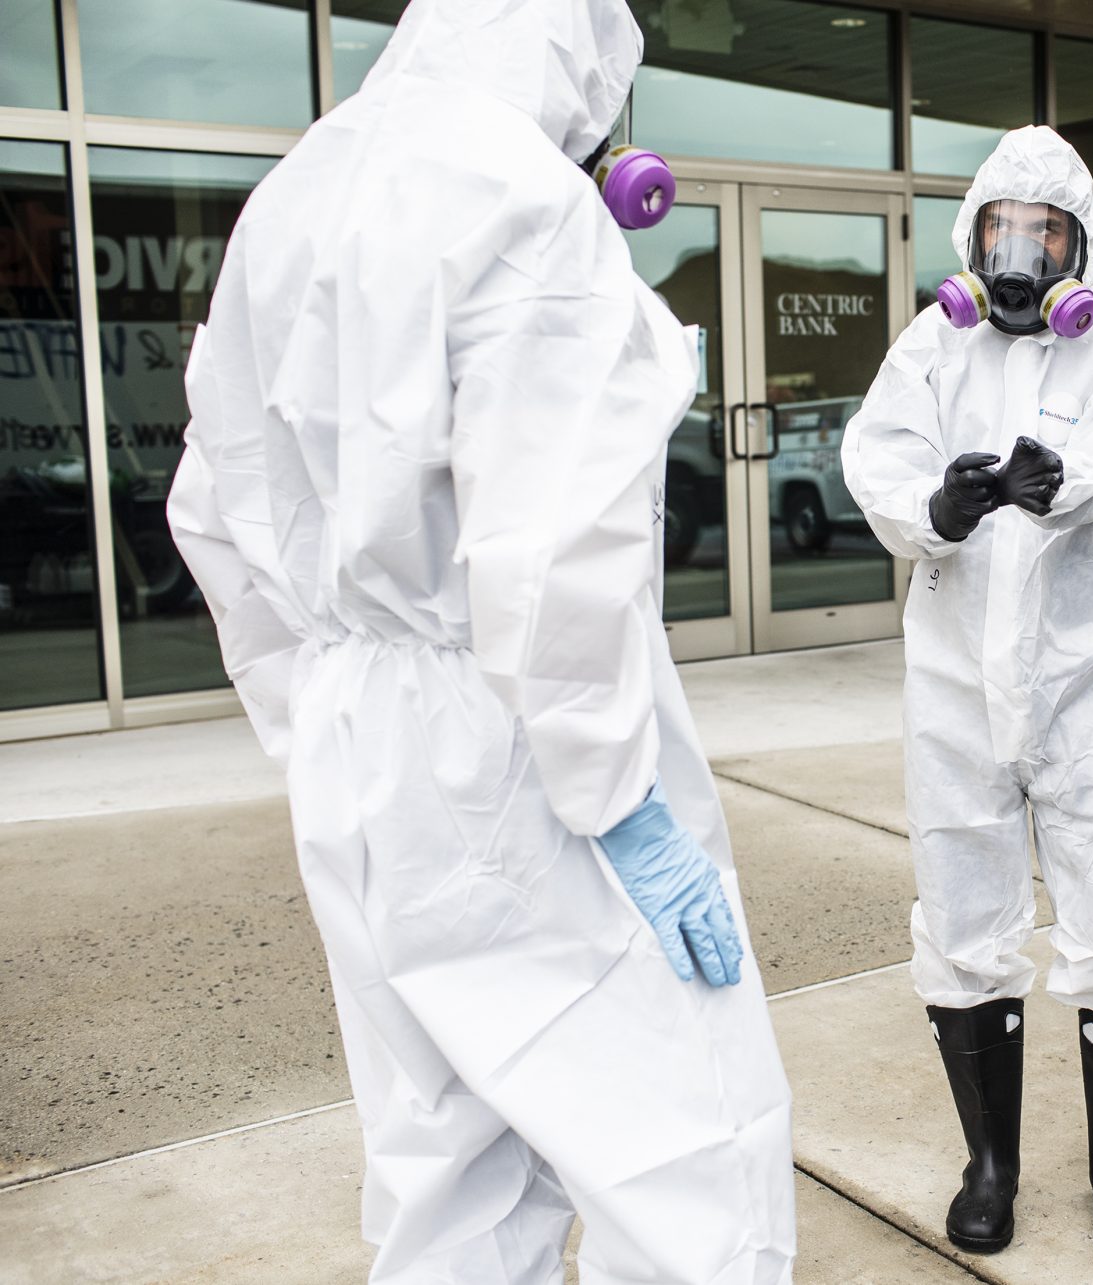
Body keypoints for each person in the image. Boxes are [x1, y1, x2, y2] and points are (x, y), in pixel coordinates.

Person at [165, 2, 795, 1281]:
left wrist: (319, 718)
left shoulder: (290, 196)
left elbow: (210, 502)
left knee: (439, 1168)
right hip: (523, 762)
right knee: (686, 1170)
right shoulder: (521, 197)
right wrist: (615, 795)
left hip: (359, 749)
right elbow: (552, 552)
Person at [840, 125, 1093, 1265]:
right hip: (951, 677)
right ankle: (988, 1163)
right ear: (971, 235)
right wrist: (935, 512)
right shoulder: (933, 348)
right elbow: (878, 455)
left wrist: (1062, 481)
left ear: (1082, 245)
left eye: (1042, 230)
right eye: (1000, 227)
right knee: (961, 905)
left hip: (1092, 676)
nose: (1019, 251)